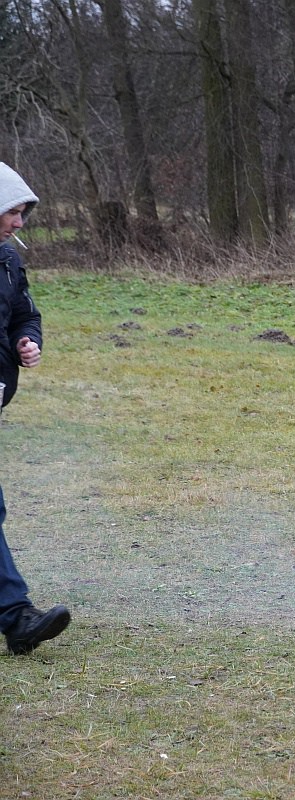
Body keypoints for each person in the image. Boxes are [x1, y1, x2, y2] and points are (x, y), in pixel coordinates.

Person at [0, 162, 71, 655]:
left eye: (22, 213)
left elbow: (24, 311)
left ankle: (15, 615)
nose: (19, 223)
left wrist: (28, 339)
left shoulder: (8, 261)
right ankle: (15, 615)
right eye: (13, 212)